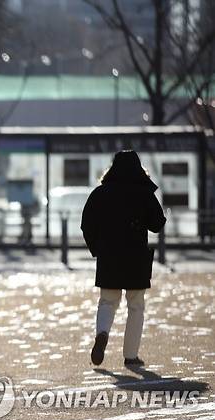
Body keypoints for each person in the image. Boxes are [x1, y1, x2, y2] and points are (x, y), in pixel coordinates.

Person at [81, 150, 166, 367]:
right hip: (135, 257)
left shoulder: (100, 193)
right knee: (136, 305)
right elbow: (157, 224)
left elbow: (87, 224)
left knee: (108, 301)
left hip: (109, 257)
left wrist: (97, 249)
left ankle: (102, 334)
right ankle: (130, 355)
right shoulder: (144, 193)